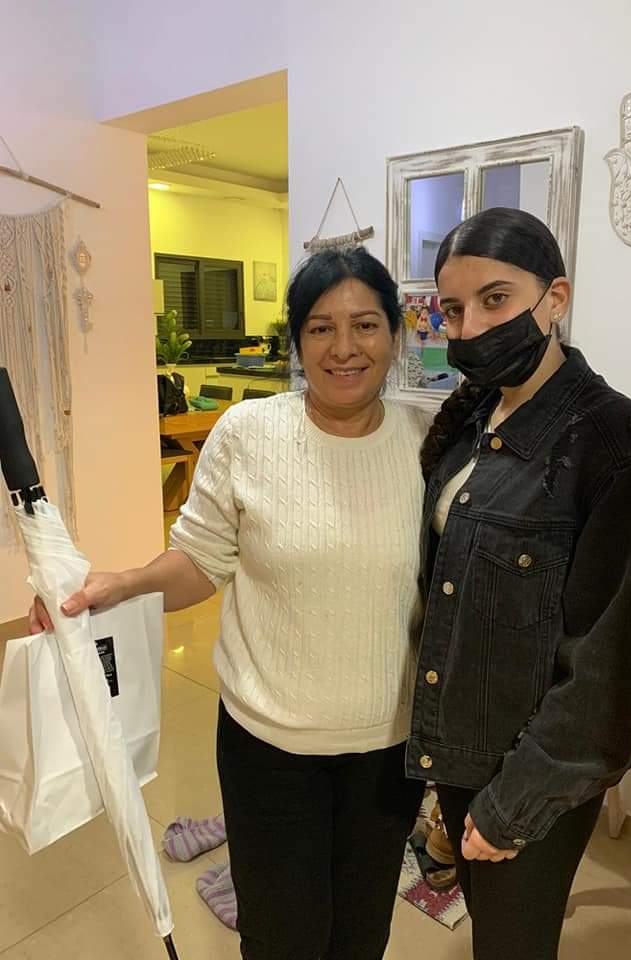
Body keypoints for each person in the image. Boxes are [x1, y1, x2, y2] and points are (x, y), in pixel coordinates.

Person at [30, 247, 429, 960]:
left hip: (388, 749)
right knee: (280, 936)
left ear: (395, 336)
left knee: (363, 931)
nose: (344, 347)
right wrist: (120, 585)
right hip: (268, 747)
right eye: (320, 328)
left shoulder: (429, 443)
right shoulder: (248, 433)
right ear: (297, 343)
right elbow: (201, 562)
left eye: (365, 325)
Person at [406, 207, 631, 960]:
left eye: (495, 299)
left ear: (555, 298)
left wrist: (515, 804)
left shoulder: (615, 445)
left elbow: (616, 665)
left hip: (532, 763)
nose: (470, 327)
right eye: (453, 309)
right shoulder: (470, 417)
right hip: (459, 743)